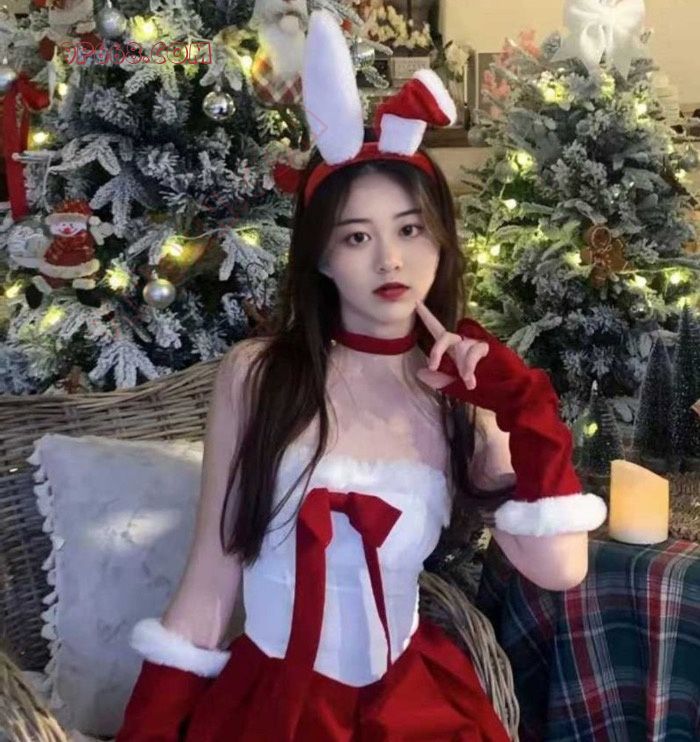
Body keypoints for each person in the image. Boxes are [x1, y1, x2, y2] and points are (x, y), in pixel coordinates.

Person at [115, 10, 607, 741]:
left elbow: (560, 568)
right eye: (356, 237)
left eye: (410, 229)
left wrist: (519, 401)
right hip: (269, 705)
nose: (390, 260)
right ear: (321, 256)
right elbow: (209, 585)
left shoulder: (464, 399)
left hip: (411, 707)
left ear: (441, 242)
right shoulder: (259, 375)